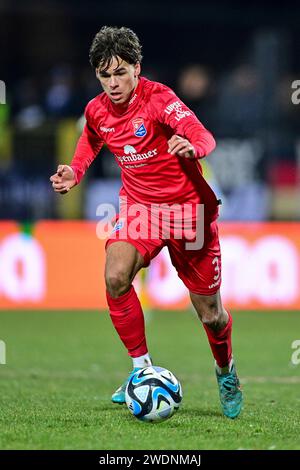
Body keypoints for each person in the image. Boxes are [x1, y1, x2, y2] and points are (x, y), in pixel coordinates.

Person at [50, 26, 243, 419]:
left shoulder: (160, 100)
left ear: (138, 68)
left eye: (121, 72)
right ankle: (141, 371)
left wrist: (194, 146)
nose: (113, 83)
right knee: (116, 275)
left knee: (211, 314)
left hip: (190, 215)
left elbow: (201, 133)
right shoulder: (97, 109)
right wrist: (76, 170)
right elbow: (91, 138)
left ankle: (226, 372)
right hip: (141, 210)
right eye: (105, 75)